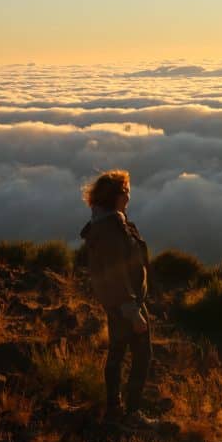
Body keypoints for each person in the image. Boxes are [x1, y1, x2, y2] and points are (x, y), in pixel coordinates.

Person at [79, 169, 152, 424]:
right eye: (127, 191)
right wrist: (132, 311)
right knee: (139, 356)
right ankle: (131, 412)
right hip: (125, 304)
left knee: (118, 353)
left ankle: (115, 408)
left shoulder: (112, 222)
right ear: (118, 196)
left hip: (123, 302)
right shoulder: (111, 229)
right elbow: (115, 274)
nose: (130, 196)